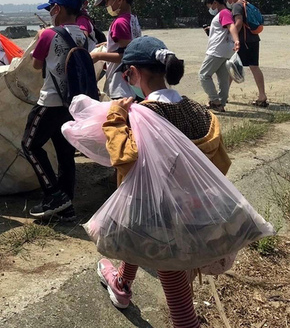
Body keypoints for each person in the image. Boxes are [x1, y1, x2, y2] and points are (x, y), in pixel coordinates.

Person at [96, 36, 231, 327]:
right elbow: (221, 163)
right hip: (193, 206)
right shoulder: (200, 111)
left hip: (160, 215)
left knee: (170, 275)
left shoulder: (143, 116)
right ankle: (121, 283)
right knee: (139, 237)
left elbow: (125, 158)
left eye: (125, 73)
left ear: (132, 73)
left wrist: (115, 119)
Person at [21, 0, 87, 221]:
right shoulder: (83, 34)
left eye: (50, 9)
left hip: (50, 101)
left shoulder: (49, 34)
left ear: (57, 8)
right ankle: (66, 206)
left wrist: (42, 35)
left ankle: (53, 194)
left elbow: (37, 64)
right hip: (72, 104)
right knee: (65, 152)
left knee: (29, 145)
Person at [90, 0, 141, 99]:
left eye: (107, 1)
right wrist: (107, 45)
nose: (107, 5)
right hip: (132, 86)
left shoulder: (119, 23)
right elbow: (129, 46)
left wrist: (98, 56)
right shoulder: (132, 19)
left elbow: (126, 56)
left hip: (121, 86)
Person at [222, 0, 268, 107]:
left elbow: (238, 22)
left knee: (232, 66)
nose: (226, 3)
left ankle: (223, 95)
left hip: (244, 41)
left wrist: (231, 36)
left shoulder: (237, 6)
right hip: (253, 39)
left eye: (226, 0)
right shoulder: (246, 3)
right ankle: (262, 95)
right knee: (254, 67)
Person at [199, 0, 240, 112]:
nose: (211, 9)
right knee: (223, 78)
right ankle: (221, 103)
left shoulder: (223, 12)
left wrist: (236, 40)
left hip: (217, 50)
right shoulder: (225, 13)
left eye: (210, 6)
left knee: (204, 75)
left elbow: (231, 26)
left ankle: (214, 100)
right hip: (226, 51)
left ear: (215, 3)